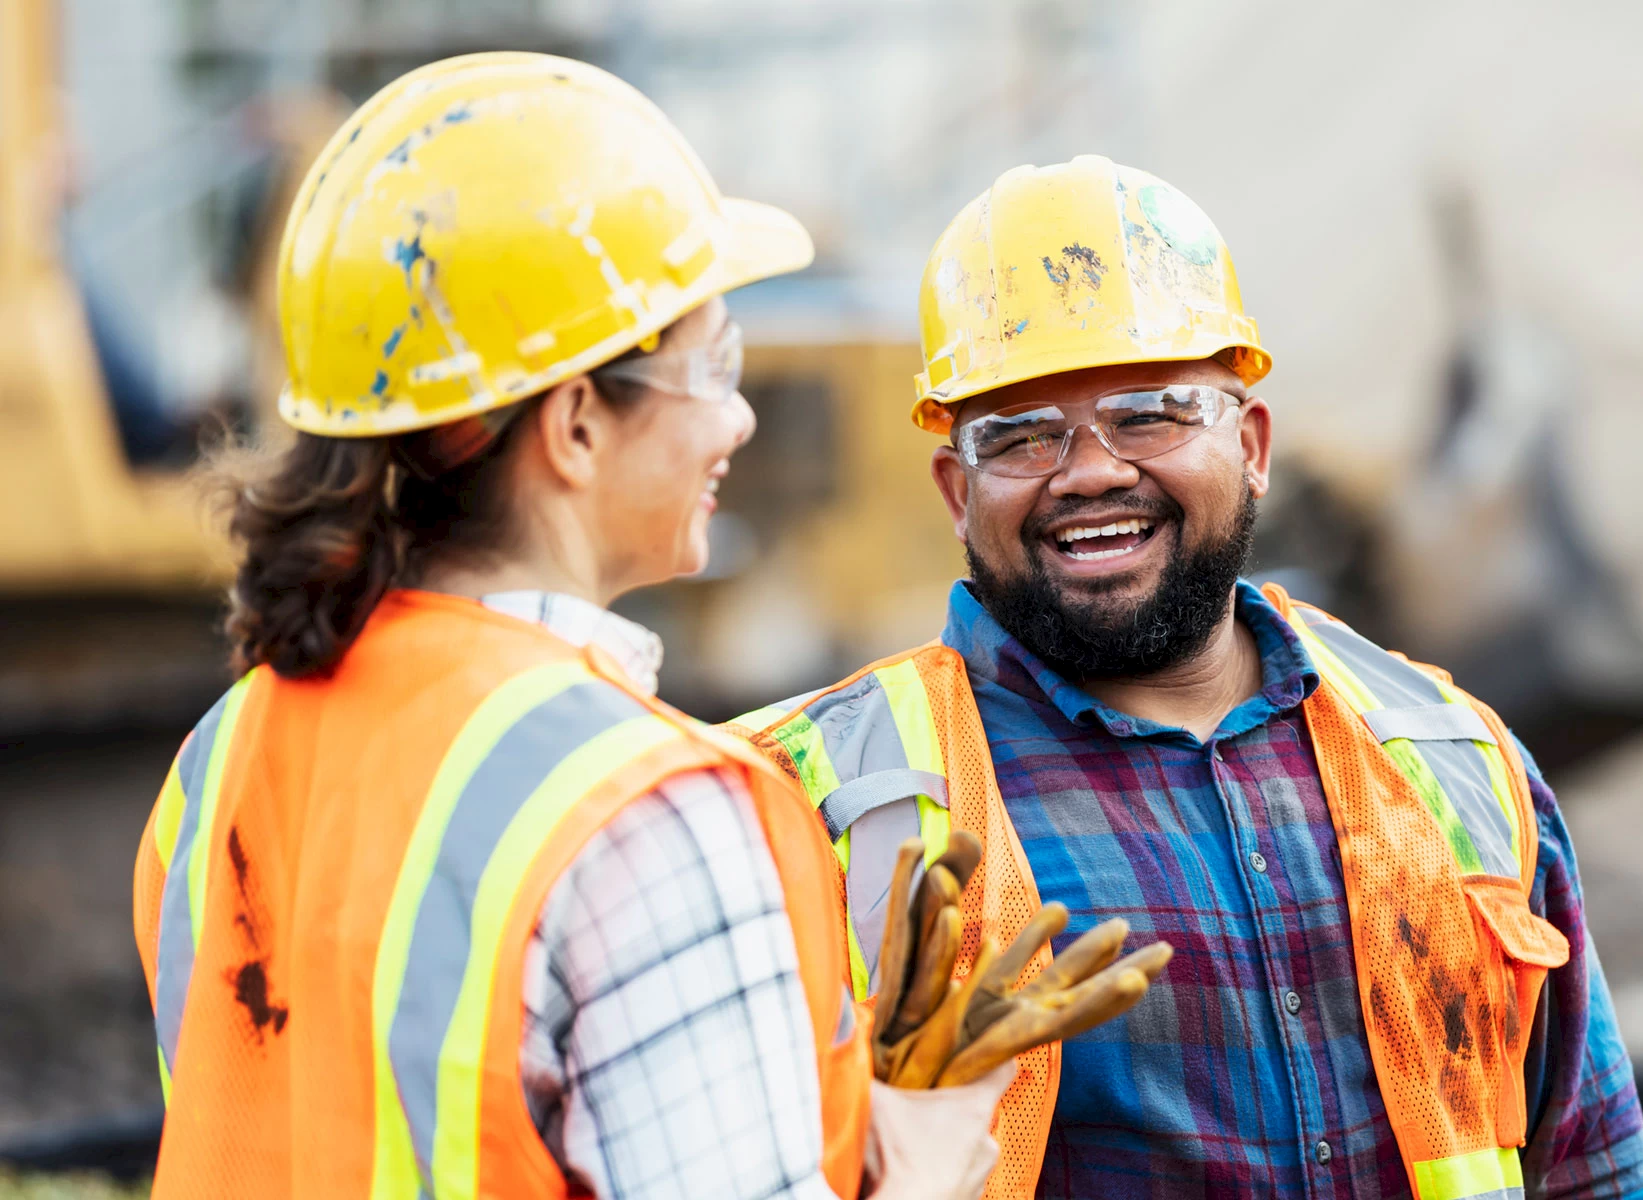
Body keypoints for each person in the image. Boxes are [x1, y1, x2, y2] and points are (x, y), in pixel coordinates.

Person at [130, 53, 1009, 1199]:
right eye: (716, 362)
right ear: (577, 424)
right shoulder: (649, 812)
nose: (739, 414)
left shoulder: (223, 753)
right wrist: (928, 1170)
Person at [725, 155, 1643, 1200]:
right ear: (955, 489)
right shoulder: (799, 803)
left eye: (1149, 412)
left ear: (1253, 445)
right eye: (1022, 435)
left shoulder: (1453, 754)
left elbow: (1588, 1164)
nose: (1090, 470)